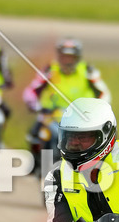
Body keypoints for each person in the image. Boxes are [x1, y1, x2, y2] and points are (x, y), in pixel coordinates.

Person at [24, 39, 110, 170]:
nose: (67, 61)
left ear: (77, 58)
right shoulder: (50, 70)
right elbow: (31, 91)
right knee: (36, 134)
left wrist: (98, 111)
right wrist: (35, 105)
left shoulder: (87, 71)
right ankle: (37, 164)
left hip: (82, 119)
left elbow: (104, 93)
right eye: (64, 57)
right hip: (51, 116)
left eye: (71, 57)